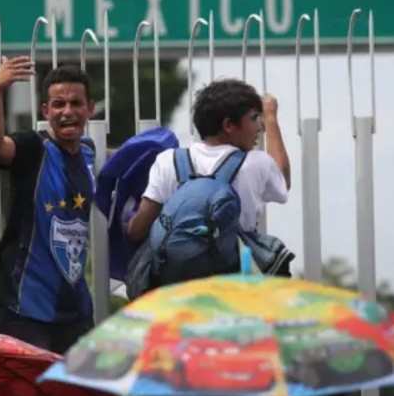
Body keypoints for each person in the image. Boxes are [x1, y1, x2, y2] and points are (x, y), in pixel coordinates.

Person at [0, 58, 97, 354]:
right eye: (59, 104)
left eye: (76, 103)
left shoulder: (88, 153)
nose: (67, 111)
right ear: (46, 111)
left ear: (90, 109)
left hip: (75, 308)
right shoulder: (33, 147)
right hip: (26, 305)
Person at [125, 78, 292, 273]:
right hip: (232, 284)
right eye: (254, 118)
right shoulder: (255, 164)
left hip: (180, 289)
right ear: (228, 125)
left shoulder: (168, 161)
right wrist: (271, 117)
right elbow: (283, 178)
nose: (260, 127)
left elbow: (137, 230)